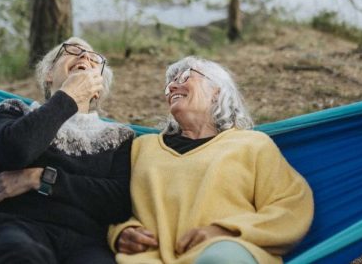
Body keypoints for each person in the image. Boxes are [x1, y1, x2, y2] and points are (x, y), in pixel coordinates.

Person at [110, 56, 313, 264]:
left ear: (217, 90)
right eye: (169, 84)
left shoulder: (252, 145)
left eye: (185, 77)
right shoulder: (142, 147)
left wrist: (225, 232)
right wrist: (121, 233)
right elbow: (108, 204)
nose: (171, 87)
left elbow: (292, 205)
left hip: (226, 254)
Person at [0, 37, 134, 264]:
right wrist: (69, 96)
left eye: (94, 58)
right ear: (48, 74)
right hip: (21, 230)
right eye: (73, 50)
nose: (85, 56)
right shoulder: (14, 112)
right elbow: (15, 152)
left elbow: (118, 202)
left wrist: (40, 178)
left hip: (88, 242)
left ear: (98, 89)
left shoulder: (118, 137)